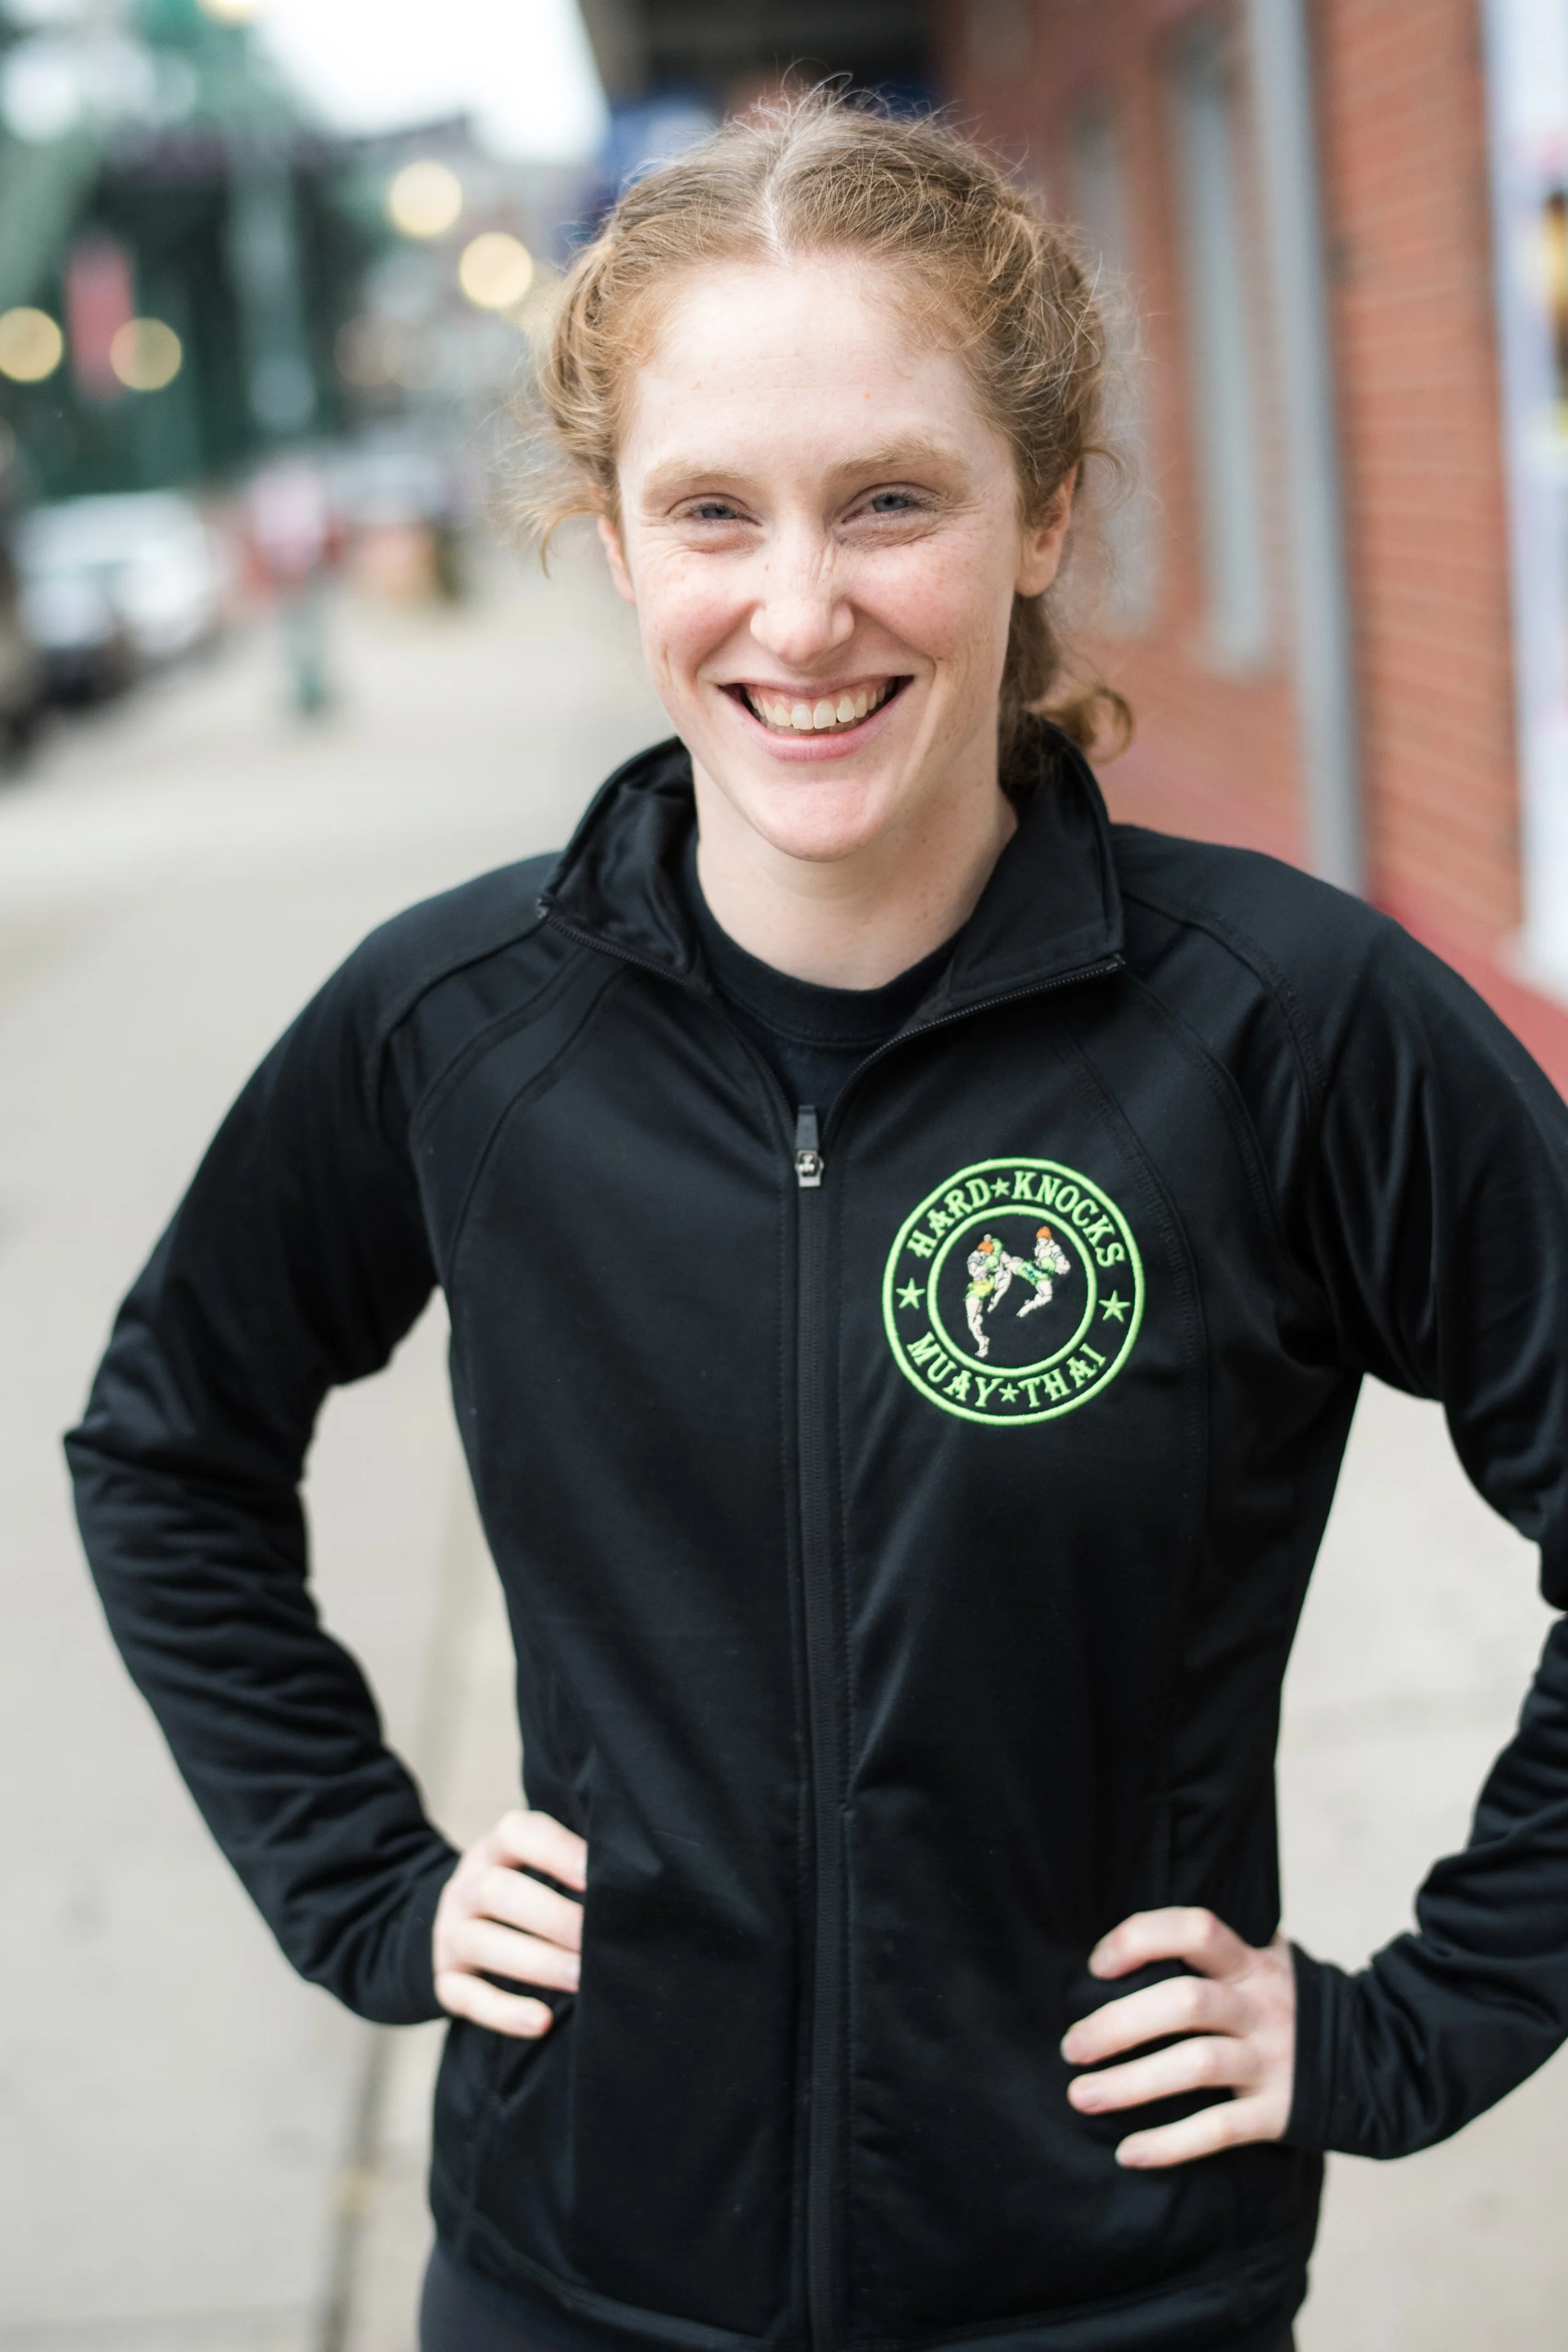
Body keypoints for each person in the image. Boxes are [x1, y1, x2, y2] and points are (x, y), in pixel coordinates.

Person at [66, 92, 1568, 2352]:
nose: (801, 609)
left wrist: (1420, 2017)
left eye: (891, 500)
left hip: (1105, 2292)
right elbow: (166, 1444)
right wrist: (366, 1885)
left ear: (1044, 508)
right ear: (608, 537)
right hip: (577, 2265)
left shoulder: (1286, 1028)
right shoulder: (459, 1031)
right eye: (708, 512)